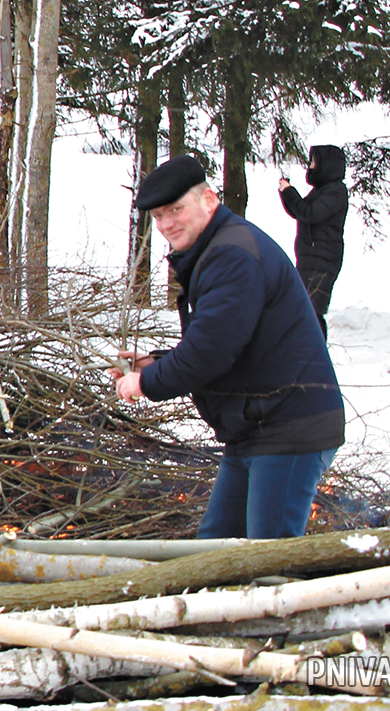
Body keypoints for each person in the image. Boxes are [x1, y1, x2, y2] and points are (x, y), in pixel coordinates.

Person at [110, 155, 345, 539]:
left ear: (210, 200)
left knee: (265, 563)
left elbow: (211, 351)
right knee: (216, 550)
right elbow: (227, 338)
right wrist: (155, 362)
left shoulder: (231, 254)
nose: (167, 224)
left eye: (176, 209)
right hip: (254, 427)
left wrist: (146, 383)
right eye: (158, 216)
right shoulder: (217, 249)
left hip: (288, 427)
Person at [278, 145, 349, 339]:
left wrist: (290, 192)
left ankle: (316, 356)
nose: (310, 167)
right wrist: (286, 192)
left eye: (314, 162)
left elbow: (310, 213)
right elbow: (300, 211)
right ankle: (310, 354)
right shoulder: (323, 190)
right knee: (304, 308)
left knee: (311, 310)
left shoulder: (336, 191)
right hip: (312, 258)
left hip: (323, 259)